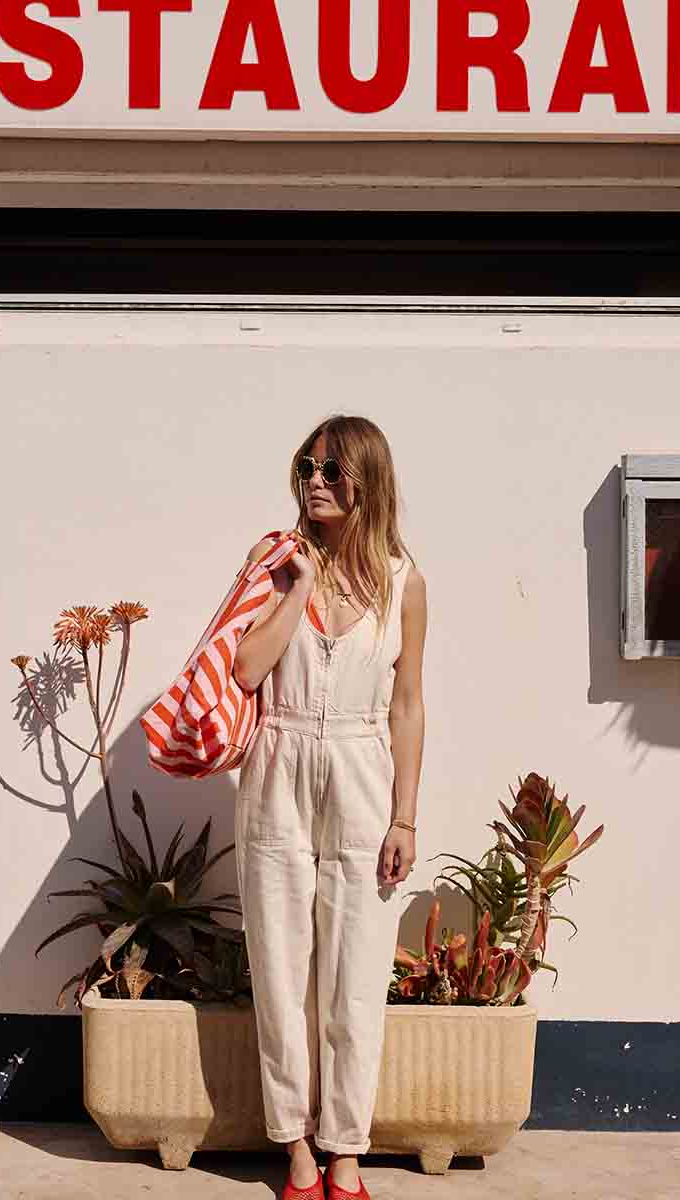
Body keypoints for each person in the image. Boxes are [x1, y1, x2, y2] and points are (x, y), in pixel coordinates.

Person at [233, 414, 427, 1200]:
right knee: (281, 971)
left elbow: (407, 704)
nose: (314, 481)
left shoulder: (405, 582)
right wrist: (300, 586)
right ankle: (296, 1150)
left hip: (361, 772)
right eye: (306, 467)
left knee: (355, 976)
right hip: (277, 765)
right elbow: (247, 670)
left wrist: (404, 815)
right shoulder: (274, 564)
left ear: (367, 482)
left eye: (332, 470)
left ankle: (346, 1150)